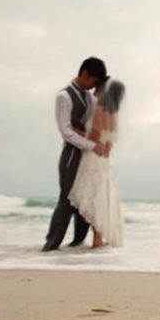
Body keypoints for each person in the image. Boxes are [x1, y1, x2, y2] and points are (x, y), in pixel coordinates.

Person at [41, 57, 110, 252]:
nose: (93, 87)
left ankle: (77, 245)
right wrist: (91, 145)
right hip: (72, 154)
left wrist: (105, 140)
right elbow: (65, 131)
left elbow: (96, 125)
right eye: (94, 82)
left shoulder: (91, 98)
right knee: (67, 199)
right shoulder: (64, 96)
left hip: (88, 156)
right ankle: (51, 245)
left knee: (84, 198)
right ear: (85, 73)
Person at [69, 79, 126, 248]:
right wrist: (105, 145)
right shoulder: (114, 115)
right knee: (101, 198)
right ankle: (101, 237)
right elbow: (111, 140)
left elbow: (93, 136)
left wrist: (76, 131)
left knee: (92, 198)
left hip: (94, 158)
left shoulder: (100, 110)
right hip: (106, 161)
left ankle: (97, 238)